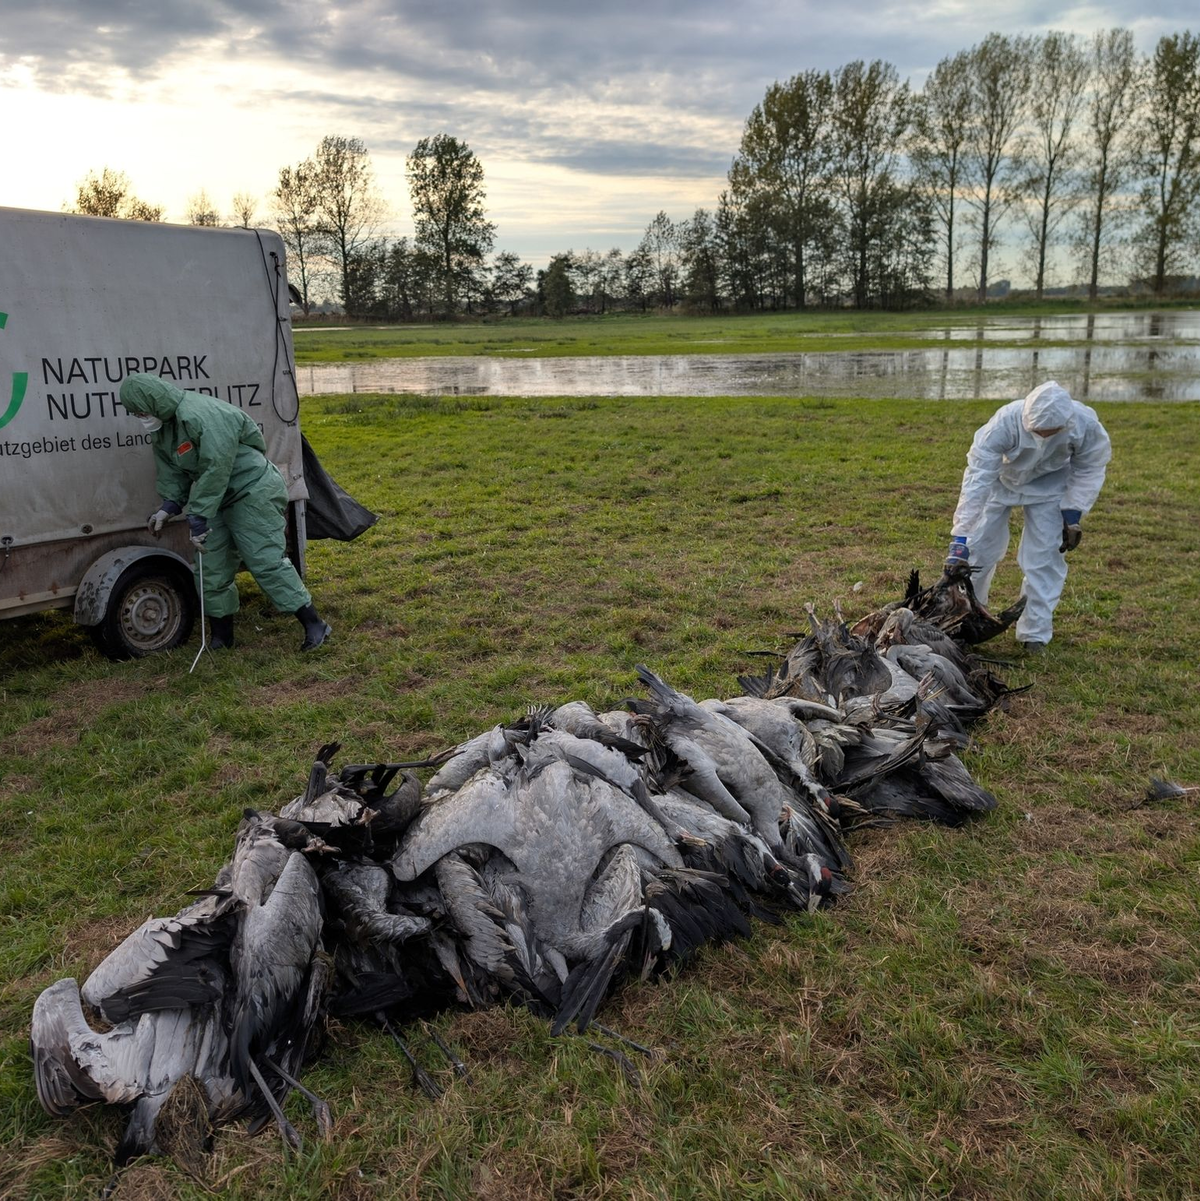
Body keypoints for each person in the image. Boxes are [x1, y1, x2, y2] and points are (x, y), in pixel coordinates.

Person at [119, 372, 332, 652]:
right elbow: (173, 471)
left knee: (264, 560)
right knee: (210, 566)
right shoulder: (164, 431)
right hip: (217, 499)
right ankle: (222, 638)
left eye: (142, 410)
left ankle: (315, 625)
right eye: (135, 413)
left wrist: (197, 515)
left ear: (155, 401)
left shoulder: (201, 414)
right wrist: (168, 507)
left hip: (252, 489)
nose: (141, 417)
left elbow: (216, 467)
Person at [944, 380, 1111, 651]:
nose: (1043, 437)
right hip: (1000, 484)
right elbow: (977, 479)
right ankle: (967, 622)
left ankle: (1035, 632)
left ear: (1065, 424)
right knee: (977, 552)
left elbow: (1091, 466)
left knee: (1045, 558)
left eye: (1050, 432)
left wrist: (1073, 512)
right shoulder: (1003, 423)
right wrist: (961, 537)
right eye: (1037, 431)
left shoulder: (1084, 424)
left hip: (1051, 487)